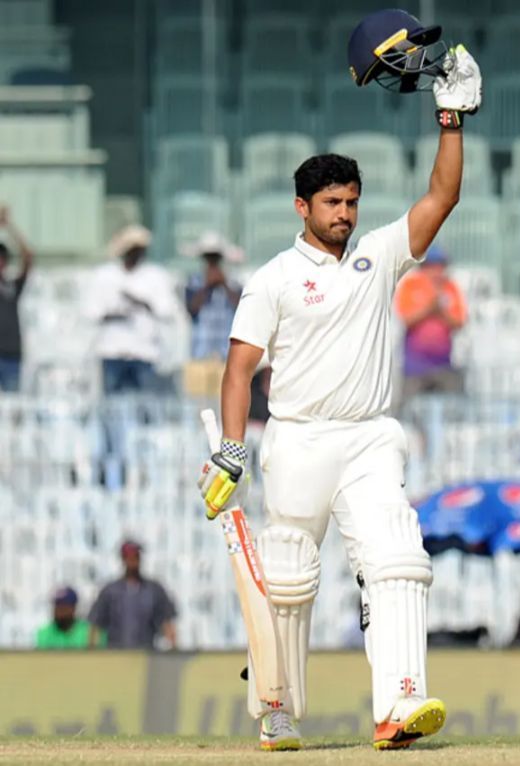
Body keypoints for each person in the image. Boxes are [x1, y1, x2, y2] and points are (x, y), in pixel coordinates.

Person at [196, 23, 481, 751]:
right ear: (303, 208)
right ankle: (278, 708)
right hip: (297, 438)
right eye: (332, 204)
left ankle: (400, 705)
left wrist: (450, 120)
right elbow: (239, 367)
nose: (345, 214)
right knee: (289, 583)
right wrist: (231, 452)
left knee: (395, 557)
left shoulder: (378, 258)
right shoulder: (274, 279)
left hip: (369, 436)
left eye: (351, 202)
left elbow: (441, 197)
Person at [84, 225, 182, 394]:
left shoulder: (156, 276)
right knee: (112, 409)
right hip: (112, 351)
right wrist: (116, 315)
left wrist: (142, 302)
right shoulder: (104, 276)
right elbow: (91, 312)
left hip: (144, 353)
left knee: (146, 409)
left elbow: (167, 311)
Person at [394, 244, 467, 405]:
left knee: (453, 406)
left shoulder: (450, 288)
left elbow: (459, 322)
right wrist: (430, 308)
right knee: (408, 408)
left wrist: (441, 312)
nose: (436, 272)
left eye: (440, 266)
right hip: (415, 366)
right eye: (432, 267)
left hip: (443, 364)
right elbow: (407, 320)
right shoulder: (411, 286)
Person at [87, 540, 177, 650]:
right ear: (123, 559)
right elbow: (96, 626)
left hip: (145, 654)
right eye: (129, 556)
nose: (133, 560)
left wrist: (173, 649)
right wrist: (92, 653)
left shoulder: (154, 590)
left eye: (136, 556)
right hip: (116, 654)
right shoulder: (110, 591)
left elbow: (167, 623)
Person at [184, 231, 244, 361]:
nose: (212, 261)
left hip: (227, 353)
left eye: (215, 257)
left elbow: (242, 310)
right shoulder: (194, 281)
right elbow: (191, 309)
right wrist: (207, 286)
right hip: (201, 351)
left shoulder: (234, 281)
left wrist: (224, 285)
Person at [0, 205, 34, 392]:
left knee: (13, 409)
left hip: (11, 353)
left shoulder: (11, 285)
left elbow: (28, 257)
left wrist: (8, 227)